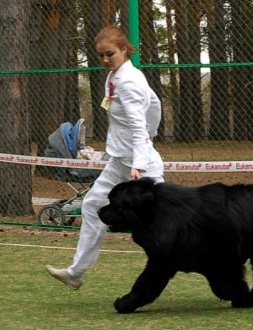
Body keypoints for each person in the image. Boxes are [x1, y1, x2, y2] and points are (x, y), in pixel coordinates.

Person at [46, 26, 164, 289]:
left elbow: (137, 126)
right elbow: (154, 103)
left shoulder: (129, 82)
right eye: (100, 55)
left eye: (110, 54)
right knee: (90, 206)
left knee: (166, 218)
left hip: (138, 166)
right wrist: (150, 133)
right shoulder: (117, 76)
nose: (105, 60)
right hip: (120, 161)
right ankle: (75, 273)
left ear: (124, 49)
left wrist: (139, 164)